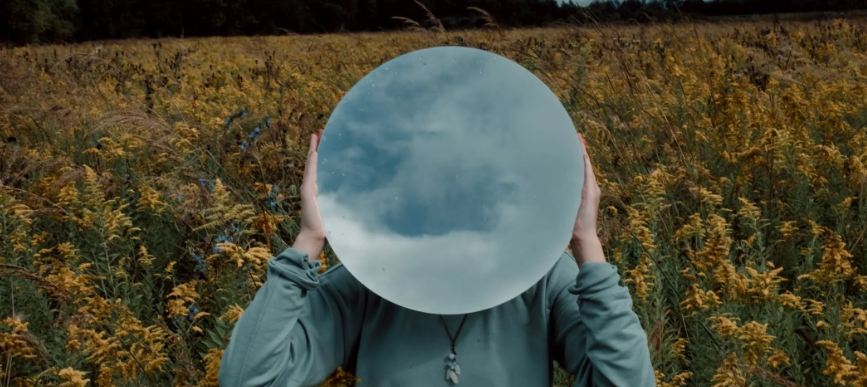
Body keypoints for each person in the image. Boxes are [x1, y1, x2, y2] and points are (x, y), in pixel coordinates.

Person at [219, 129, 656, 387]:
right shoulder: (365, 283)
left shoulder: (543, 278)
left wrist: (586, 244)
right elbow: (247, 380)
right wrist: (309, 239)